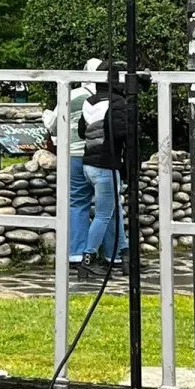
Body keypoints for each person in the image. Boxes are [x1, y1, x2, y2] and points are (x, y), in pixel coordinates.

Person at [43, 58, 104, 268]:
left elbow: (53, 126)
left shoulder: (72, 94)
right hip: (99, 156)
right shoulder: (105, 97)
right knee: (107, 208)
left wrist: (46, 116)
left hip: (73, 155)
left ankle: (76, 253)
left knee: (78, 203)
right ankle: (109, 255)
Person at [78, 63, 130, 281]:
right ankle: (87, 260)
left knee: (114, 209)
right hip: (106, 165)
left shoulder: (89, 101)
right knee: (103, 214)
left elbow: (82, 131)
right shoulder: (117, 102)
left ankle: (125, 255)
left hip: (89, 164)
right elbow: (121, 133)